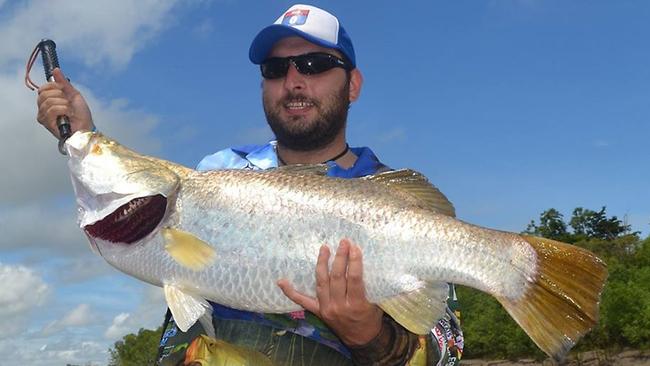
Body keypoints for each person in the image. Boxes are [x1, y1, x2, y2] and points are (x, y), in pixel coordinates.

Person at [36, 4, 463, 365]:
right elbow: (145, 191)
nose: (293, 80)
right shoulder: (219, 170)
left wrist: (372, 336)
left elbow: (450, 349)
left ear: (352, 85)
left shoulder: (397, 201)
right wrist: (82, 135)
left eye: (314, 65)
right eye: (276, 68)